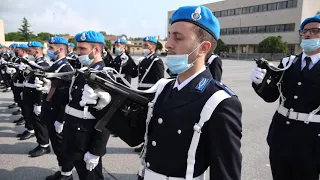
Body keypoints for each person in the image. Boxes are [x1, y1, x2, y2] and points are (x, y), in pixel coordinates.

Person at [82, 5, 242, 180]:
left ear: (203, 48)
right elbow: (135, 137)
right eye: (169, 36)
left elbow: (226, 173)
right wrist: (103, 106)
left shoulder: (220, 101)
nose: (168, 44)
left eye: (178, 38)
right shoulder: (163, 88)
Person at [250, 14, 320, 180]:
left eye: (315, 31)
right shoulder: (288, 63)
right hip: (281, 134)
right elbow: (271, 96)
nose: (308, 34)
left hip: (312, 140)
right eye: (305, 31)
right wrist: (258, 83)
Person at [61, 30, 111, 180]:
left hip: (87, 139)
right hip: (75, 134)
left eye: (82, 49)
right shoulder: (84, 72)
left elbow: (107, 118)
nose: (78, 52)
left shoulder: (104, 75)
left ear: (96, 50)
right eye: (78, 48)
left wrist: (96, 151)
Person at [34, 36, 74, 180]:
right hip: (50, 110)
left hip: (57, 113)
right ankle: (62, 171)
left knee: (62, 147)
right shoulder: (56, 65)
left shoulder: (66, 68)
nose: (48, 51)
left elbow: (67, 98)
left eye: (51, 48)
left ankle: (67, 174)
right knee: (57, 146)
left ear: (61, 49)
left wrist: (61, 119)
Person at [131, 36, 165, 152]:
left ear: (153, 47)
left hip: (151, 95)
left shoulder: (157, 61)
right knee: (143, 119)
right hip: (142, 93)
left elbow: (160, 80)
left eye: (146, 46)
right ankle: (144, 143)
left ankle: (149, 144)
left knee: (149, 120)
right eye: (143, 45)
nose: (143, 48)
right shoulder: (143, 60)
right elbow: (134, 74)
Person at [18, 41, 51, 156]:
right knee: (32, 119)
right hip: (29, 93)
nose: (28, 52)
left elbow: (42, 86)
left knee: (39, 122)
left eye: (29, 50)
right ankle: (40, 143)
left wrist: (39, 103)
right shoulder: (33, 62)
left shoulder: (42, 64)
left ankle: (44, 145)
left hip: (36, 95)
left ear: (36, 51)